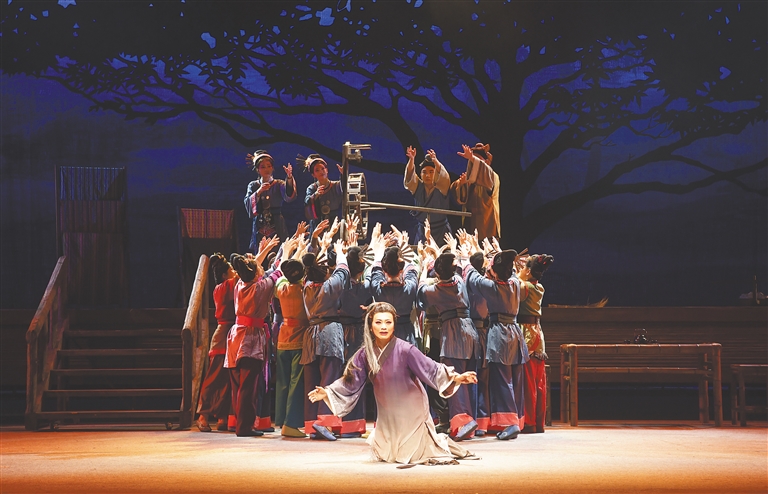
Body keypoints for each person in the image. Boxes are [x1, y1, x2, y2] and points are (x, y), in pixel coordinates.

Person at [308, 302, 477, 466]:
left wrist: (457, 378)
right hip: (387, 412)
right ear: (370, 326)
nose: (383, 327)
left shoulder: (406, 350)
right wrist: (328, 392)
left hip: (413, 408)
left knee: (417, 454)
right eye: (378, 322)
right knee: (390, 456)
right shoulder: (365, 354)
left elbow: (431, 368)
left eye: (388, 322)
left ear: (394, 325)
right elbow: (351, 380)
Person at [461, 246, 528, 440]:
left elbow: (472, 277)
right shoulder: (515, 282)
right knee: (516, 380)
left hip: (501, 335)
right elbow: (511, 270)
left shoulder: (493, 287)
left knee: (502, 380)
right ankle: (517, 420)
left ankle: (511, 424)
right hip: (516, 333)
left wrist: (465, 257)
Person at [225, 236, 285, 437]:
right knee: (248, 387)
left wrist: (264, 251)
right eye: (259, 268)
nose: (261, 269)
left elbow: (250, 269)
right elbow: (278, 272)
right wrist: (287, 251)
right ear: (256, 274)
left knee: (239, 385)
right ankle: (244, 427)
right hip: (250, 339)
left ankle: (240, 423)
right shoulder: (260, 288)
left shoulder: (240, 284)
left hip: (237, 336)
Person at [417, 251, 480, 441]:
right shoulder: (459, 280)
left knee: (454, 377)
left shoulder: (436, 290)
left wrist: (423, 267)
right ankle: (471, 420)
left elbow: (420, 291)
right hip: (470, 331)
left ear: (437, 273)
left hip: (453, 333)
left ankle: (462, 423)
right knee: (470, 377)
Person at [301, 240, 349, 440]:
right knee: (329, 378)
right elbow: (343, 270)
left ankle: (312, 424)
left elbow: (311, 266)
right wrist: (339, 251)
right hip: (328, 332)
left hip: (310, 334)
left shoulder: (306, 286)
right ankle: (324, 423)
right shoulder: (329, 286)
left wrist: (321, 246)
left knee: (311, 380)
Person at [273, 231, 312, 438]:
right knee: (296, 383)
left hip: (282, 338)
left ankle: (280, 420)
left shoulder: (282, 288)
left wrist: (289, 252)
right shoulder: (304, 289)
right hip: (298, 339)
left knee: (282, 382)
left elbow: (280, 272)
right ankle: (291, 423)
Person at [196, 253, 236, 432]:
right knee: (214, 378)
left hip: (232, 334)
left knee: (228, 379)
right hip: (222, 336)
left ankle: (222, 416)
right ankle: (203, 415)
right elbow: (245, 274)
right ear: (224, 275)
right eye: (232, 270)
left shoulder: (229, 286)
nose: (235, 272)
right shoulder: (224, 287)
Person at [518, 254, 554, 434]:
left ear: (528, 271)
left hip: (527, 333)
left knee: (529, 380)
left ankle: (529, 422)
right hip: (537, 332)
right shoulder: (539, 286)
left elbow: (511, 283)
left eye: (523, 267)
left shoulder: (525, 287)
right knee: (538, 380)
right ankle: (538, 422)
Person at [368, 224, 420, 346]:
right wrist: (403, 244)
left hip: (384, 334)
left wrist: (380, 247)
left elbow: (375, 269)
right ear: (401, 269)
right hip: (406, 334)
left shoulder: (377, 287)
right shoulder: (410, 287)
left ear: (384, 269)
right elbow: (412, 267)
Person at [244, 151, 297, 253]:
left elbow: (289, 196)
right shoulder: (253, 185)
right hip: (259, 222)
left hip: (277, 222)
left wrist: (289, 178)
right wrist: (258, 192)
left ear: (272, 168)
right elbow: (248, 203)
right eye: (263, 167)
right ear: (258, 169)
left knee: (278, 250)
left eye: (269, 166)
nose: (266, 169)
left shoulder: (279, 183)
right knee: (261, 250)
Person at [404, 147, 453, 246]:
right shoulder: (417, 186)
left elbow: (444, 177)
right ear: (420, 174)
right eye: (424, 172)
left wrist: (435, 161)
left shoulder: (441, 187)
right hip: (422, 230)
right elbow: (410, 176)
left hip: (441, 230)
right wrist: (411, 160)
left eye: (431, 172)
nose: (427, 175)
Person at [453, 143, 500, 242]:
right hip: (469, 224)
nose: (473, 163)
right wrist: (461, 184)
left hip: (487, 227)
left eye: (476, 160)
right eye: (471, 161)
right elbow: (455, 191)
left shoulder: (492, 176)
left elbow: (485, 171)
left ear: (486, 162)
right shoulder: (469, 177)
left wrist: (472, 158)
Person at [303, 154, 344, 233]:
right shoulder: (312, 188)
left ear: (327, 170)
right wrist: (316, 195)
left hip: (334, 222)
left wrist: (343, 175)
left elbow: (344, 189)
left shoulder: (336, 185)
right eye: (317, 170)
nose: (321, 172)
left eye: (323, 168)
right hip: (317, 223)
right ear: (313, 175)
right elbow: (306, 201)